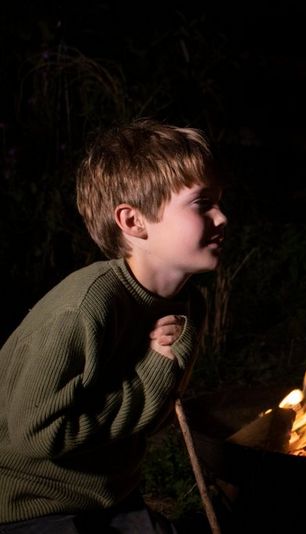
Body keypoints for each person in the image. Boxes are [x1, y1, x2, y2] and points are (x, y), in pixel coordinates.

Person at [0, 118, 227, 533]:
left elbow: (150, 419)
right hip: (33, 506)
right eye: (201, 203)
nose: (223, 217)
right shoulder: (83, 308)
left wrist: (166, 368)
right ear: (133, 222)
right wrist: (151, 373)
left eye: (219, 202)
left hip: (110, 496)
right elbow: (37, 437)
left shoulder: (187, 304)